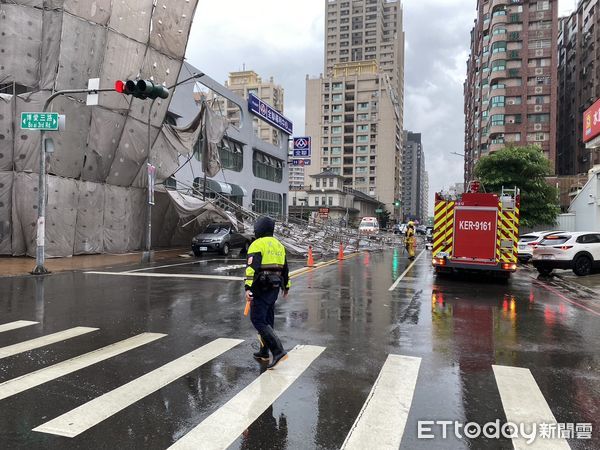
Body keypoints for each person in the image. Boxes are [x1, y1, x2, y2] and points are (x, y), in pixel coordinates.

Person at [244, 216, 290, 369]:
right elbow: (285, 268)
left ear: (260, 229)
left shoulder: (257, 244)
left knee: (258, 320)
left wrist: (248, 288)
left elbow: (251, 269)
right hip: (274, 288)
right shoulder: (279, 245)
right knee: (268, 320)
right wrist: (286, 286)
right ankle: (264, 352)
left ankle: (278, 351)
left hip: (260, 288)